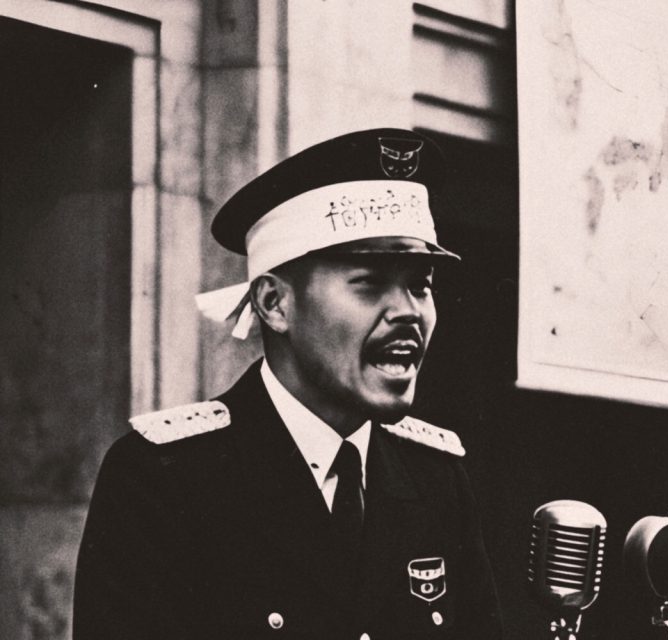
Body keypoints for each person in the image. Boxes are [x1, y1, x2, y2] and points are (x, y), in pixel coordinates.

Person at [73, 128, 503, 639]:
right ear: (274, 303)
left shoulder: (435, 479)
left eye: (419, 285)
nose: (409, 312)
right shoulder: (163, 480)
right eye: (369, 283)